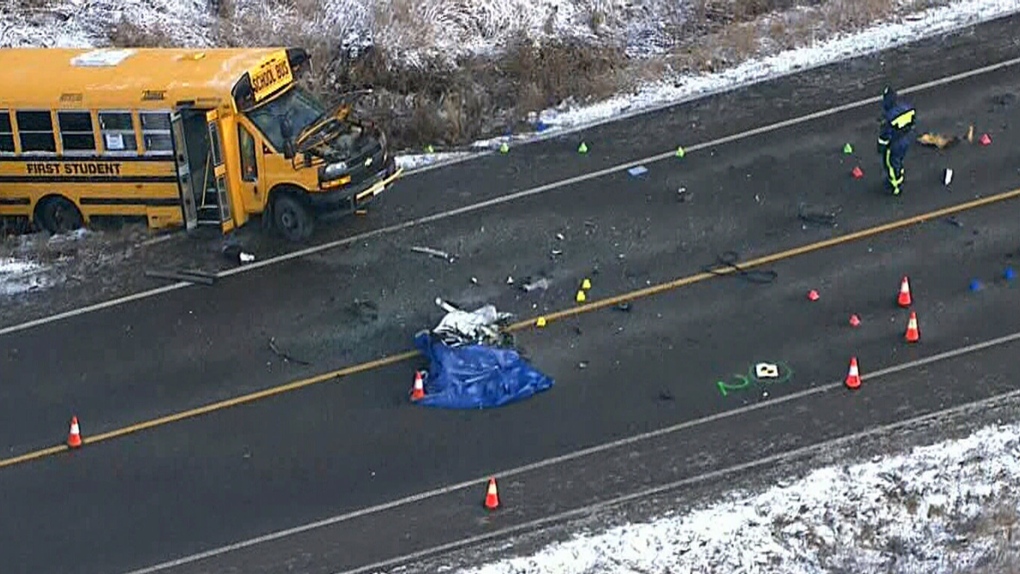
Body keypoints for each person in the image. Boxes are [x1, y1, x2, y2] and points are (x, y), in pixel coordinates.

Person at [877, 87, 916, 196]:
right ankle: (899, 176)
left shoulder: (888, 118)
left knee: (890, 165)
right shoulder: (908, 109)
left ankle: (895, 186)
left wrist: (881, 147)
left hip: (894, 145)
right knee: (899, 160)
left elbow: (884, 137)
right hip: (905, 140)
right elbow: (912, 123)